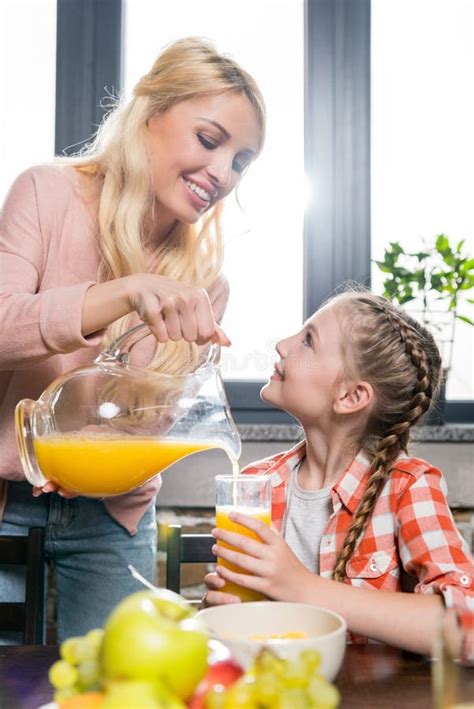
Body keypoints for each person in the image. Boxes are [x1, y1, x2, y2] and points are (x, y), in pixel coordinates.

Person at [0, 37, 265, 641]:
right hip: (7, 500)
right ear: (149, 113)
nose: (224, 174)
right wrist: (121, 294)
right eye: (209, 140)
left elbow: (151, 422)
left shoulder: (205, 285)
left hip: (114, 517)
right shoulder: (46, 193)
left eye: (241, 161)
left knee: (125, 684)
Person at [205, 290, 474, 658]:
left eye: (308, 340)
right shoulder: (256, 484)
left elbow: (465, 626)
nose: (282, 346)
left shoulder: (406, 487)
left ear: (350, 396)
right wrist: (220, 620)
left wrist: (300, 587)